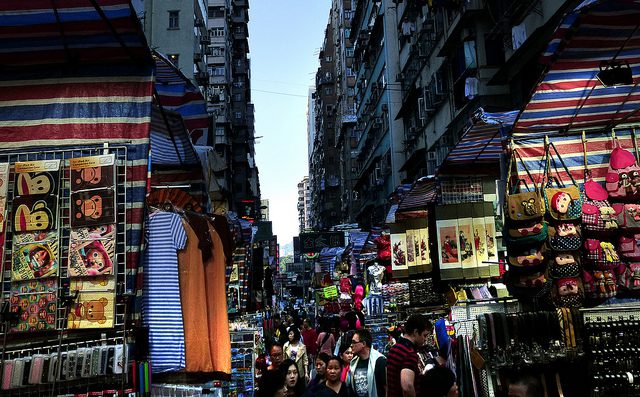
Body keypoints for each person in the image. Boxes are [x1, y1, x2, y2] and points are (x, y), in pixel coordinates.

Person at [387, 315, 432, 397]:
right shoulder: (409, 353)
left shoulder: (394, 348)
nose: (425, 339)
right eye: (424, 335)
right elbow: (407, 386)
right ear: (415, 332)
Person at [349, 328, 386, 397]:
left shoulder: (379, 361)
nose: (351, 345)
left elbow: (386, 388)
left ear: (363, 343)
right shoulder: (353, 363)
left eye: (354, 342)